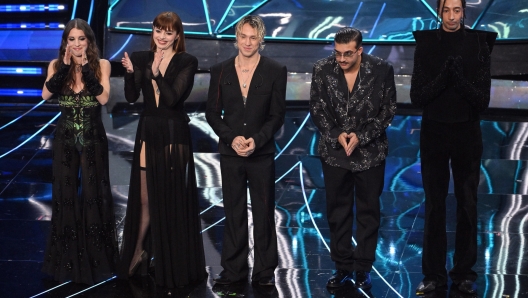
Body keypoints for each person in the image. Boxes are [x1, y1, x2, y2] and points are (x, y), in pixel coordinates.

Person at [410, 0, 497, 295]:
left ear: (464, 12)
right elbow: (418, 96)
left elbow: (482, 100)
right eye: (446, 10)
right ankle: (433, 274)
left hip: (467, 132)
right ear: (439, 12)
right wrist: (444, 77)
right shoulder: (425, 43)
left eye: (456, 10)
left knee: (467, 203)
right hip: (434, 131)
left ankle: (463, 272)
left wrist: (457, 78)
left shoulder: (479, 43)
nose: (451, 16)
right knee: (434, 204)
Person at [118, 11, 207, 288]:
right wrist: (131, 74)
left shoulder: (186, 61)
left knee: (170, 201)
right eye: (159, 30)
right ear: (153, 31)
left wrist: (156, 74)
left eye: (169, 32)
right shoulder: (140, 57)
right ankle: (138, 251)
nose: (163, 36)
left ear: (177, 35)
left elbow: (171, 98)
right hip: (148, 131)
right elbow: (133, 98)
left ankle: (172, 261)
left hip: (173, 134)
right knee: (145, 199)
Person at [309, 27, 396, 290]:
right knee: (338, 212)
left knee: (369, 213)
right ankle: (343, 267)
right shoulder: (322, 69)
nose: (342, 59)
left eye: (348, 54)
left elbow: (388, 109)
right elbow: (316, 107)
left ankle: (363, 268)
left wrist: (361, 135)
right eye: (337, 53)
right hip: (335, 153)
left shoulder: (381, 69)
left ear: (360, 50)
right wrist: (337, 134)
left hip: (370, 152)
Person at [205, 15, 287, 286]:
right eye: (244, 36)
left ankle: (264, 274)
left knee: (264, 214)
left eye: (253, 37)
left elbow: (276, 115)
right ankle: (233, 271)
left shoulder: (275, 69)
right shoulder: (221, 70)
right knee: (234, 212)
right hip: (231, 153)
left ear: (261, 39)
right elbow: (213, 113)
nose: (248, 42)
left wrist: (257, 140)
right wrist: (231, 138)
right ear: (236, 37)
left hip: (261, 154)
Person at [41, 18, 117, 285]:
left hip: (93, 137)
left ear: (89, 41)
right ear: (66, 42)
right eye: (71, 39)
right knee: (65, 196)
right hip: (65, 139)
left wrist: (85, 70)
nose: (76, 44)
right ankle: (67, 258)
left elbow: (104, 98)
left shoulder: (102, 65)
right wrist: (63, 69)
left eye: (81, 39)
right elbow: (45, 95)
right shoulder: (55, 65)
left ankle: (97, 259)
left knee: (94, 196)